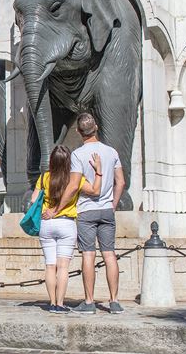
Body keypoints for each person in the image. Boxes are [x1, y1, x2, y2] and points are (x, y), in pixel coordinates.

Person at [51, 113, 126, 314]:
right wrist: (113, 203)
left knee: (88, 255)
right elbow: (121, 182)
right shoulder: (112, 152)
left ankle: (89, 301)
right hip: (107, 210)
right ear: (97, 128)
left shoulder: (77, 154)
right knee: (110, 254)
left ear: (78, 131)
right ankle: (114, 301)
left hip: (86, 211)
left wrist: (57, 208)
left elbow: (74, 185)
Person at [31, 145, 102, 314]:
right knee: (63, 267)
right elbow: (95, 190)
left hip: (46, 223)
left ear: (51, 161)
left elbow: (34, 199)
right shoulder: (74, 178)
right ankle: (60, 304)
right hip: (66, 223)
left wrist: (46, 207)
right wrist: (98, 171)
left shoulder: (44, 177)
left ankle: (52, 302)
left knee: (50, 266)